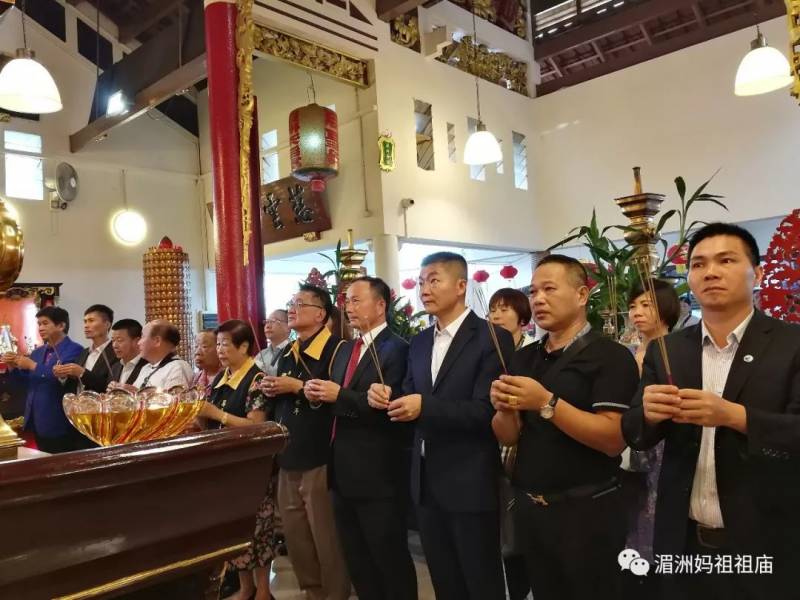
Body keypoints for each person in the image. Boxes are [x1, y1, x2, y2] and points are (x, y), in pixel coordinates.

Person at [622, 223, 800, 599]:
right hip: (683, 540)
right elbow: (635, 432)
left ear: (758, 274)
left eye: (726, 260)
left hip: (766, 541)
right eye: (699, 264)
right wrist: (649, 414)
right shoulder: (668, 350)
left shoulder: (791, 345)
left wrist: (735, 416)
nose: (711, 272)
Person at [491, 254, 639, 600]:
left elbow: (612, 439)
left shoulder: (610, 356)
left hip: (588, 511)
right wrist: (502, 408)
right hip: (533, 509)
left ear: (582, 294)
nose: (538, 299)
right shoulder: (524, 357)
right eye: (533, 291)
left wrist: (546, 402)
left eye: (549, 289)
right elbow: (508, 436)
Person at [372, 252, 512, 600]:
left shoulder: (491, 338)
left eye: (434, 280)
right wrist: (389, 398)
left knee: (481, 581)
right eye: (421, 282)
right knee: (444, 581)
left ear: (461, 285)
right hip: (425, 480)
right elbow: (410, 395)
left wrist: (424, 407)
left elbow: (486, 411)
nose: (424, 289)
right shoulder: (420, 342)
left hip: (469, 479)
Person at [306, 276, 417, 600]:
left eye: (356, 300)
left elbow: (392, 408)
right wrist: (317, 395)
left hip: (378, 471)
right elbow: (335, 397)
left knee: (388, 557)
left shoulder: (398, 349)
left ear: (380, 305)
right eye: (346, 301)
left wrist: (340, 395)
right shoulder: (345, 349)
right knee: (357, 559)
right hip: (341, 470)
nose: (348, 308)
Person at [263, 285, 350, 600]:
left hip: (320, 453)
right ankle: (312, 591)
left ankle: (336, 593)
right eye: (291, 302)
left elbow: (339, 396)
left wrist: (296, 387)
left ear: (320, 314)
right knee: (296, 532)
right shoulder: (289, 350)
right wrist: (271, 389)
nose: (292, 308)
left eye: (300, 303)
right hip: (289, 451)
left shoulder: (338, 349)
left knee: (325, 534)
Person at [199, 320, 280, 600]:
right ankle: (245, 589)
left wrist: (216, 414)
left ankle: (264, 591)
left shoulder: (256, 379)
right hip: (223, 467)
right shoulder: (221, 378)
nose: (219, 350)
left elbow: (257, 425)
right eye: (218, 344)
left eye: (225, 344)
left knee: (257, 530)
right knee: (233, 532)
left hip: (251, 469)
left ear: (244, 347)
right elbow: (208, 422)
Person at [622, 279, 680, 564]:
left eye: (647, 305)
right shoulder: (627, 352)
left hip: (663, 440)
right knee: (634, 504)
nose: (637, 312)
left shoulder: (676, 351)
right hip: (630, 437)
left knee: (656, 502)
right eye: (633, 306)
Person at [488, 287, 533, 600]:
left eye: (505, 309)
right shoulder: (489, 353)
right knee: (505, 534)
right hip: (494, 451)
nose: (497, 315)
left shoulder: (530, 353)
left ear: (522, 317)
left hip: (524, 454)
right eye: (493, 309)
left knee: (521, 534)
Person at [1, 306, 88, 453]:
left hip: (59, 420)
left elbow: (61, 377)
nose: (40, 328)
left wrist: (32, 365)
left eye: (45, 323)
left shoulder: (75, 349)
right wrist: (12, 366)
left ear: (61, 326)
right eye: (39, 324)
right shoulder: (37, 352)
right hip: (36, 419)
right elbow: (26, 382)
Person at [54, 304, 118, 393]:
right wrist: (63, 376)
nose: (86, 325)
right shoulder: (83, 352)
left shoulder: (115, 352)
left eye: (91, 321)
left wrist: (82, 373)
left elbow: (111, 385)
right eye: (85, 321)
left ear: (107, 324)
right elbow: (75, 385)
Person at [131, 321, 193, 390]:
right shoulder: (145, 368)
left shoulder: (177, 367)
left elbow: (175, 396)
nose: (138, 343)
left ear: (157, 341)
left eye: (142, 337)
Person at [108, 319, 145, 387]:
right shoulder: (115, 367)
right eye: (113, 340)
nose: (114, 345)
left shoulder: (147, 366)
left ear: (137, 341)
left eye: (119, 340)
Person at [254, 310, 290, 377]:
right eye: (267, 322)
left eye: (273, 321)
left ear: (288, 327)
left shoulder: (293, 352)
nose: (267, 326)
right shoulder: (261, 354)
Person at [193, 329, 222, 397]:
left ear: (219, 348)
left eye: (204, 346)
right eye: (196, 346)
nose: (197, 352)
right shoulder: (197, 378)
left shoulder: (228, 377)